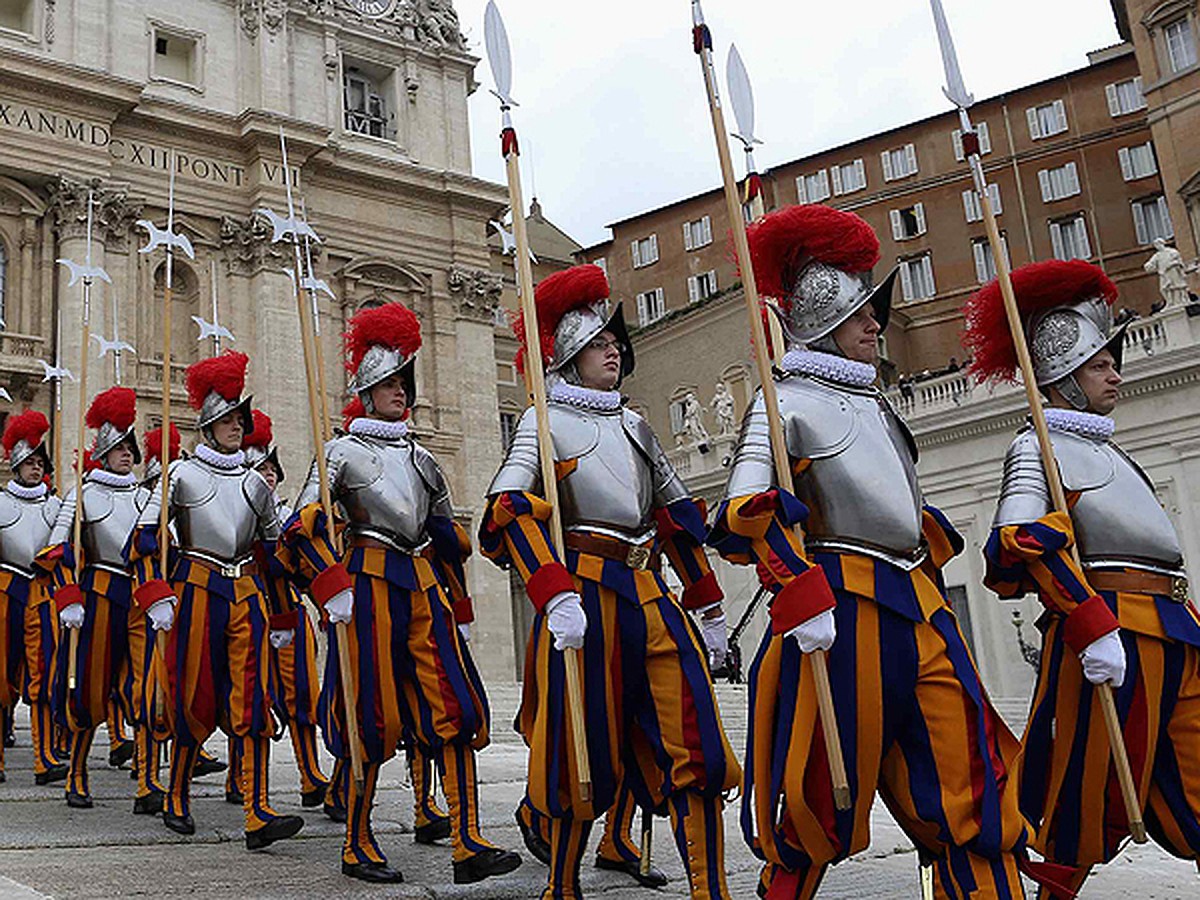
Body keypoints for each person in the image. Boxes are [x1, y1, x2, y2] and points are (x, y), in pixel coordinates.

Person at [710, 205, 1035, 898]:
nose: (874, 323)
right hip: (839, 610)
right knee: (821, 789)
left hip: (918, 605)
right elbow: (743, 511)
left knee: (971, 776)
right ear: (823, 323)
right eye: (859, 313)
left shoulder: (876, 402)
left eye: (872, 311)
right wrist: (795, 589)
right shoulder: (783, 403)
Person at [480, 264, 740, 900]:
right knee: (580, 746)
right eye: (600, 344)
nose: (614, 352)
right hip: (583, 595)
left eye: (616, 344)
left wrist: (707, 602)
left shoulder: (638, 426)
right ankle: (562, 885)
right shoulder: (544, 424)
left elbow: (676, 518)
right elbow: (507, 508)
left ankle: (711, 889)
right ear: (570, 355)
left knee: (695, 741)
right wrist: (551, 590)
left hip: (652, 596)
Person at [964, 259, 1200, 894]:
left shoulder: (1107, 447)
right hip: (1112, 633)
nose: (1114, 373)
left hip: (1178, 628)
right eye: (1099, 365)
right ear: (1065, 380)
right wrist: (1089, 621)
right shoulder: (1036, 445)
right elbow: (1016, 542)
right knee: (1080, 792)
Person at [280, 302, 519, 885]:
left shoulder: (424, 458)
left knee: (455, 708)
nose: (399, 392)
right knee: (369, 714)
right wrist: (330, 585)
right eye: (387, 384)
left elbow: (446, 540)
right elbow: (301, 527)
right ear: (365, 391)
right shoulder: (338, 452)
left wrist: (460, 607)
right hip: (365, 588)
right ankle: (358, 841)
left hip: (424, 590)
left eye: (403, 383)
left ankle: (467, 840)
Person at [129, 351, 302, 850]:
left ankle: (257, 808)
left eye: (239, 418)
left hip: (246, 592)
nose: (235, 425)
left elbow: (274, 556)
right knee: (194, 693)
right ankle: (177, 793)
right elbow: (142, 543)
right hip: (196, 587)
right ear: (207, 424)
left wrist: (286, 613)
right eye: (226, 418)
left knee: (252, 698)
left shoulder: (256, 483)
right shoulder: (179, 476)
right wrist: (156, 595)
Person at [37, 387, 154, 810]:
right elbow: (57, 552)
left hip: (141, 598)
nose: (127, 453)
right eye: (119, 447)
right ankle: (77, 771)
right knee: (89, 688)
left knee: (146, 688)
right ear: (103, 452)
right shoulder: (81, 497)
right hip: (98, 595)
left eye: (130, 447)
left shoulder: (145, 497)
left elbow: (160, 547)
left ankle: (147, 780)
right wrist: (69, 596)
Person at [240, 409, 330, 810]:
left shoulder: (287, 515)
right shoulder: (235, 510)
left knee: (303, 695)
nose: (270, 474)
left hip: (290, 612)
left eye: (273, 468)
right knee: (247, 696)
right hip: (248, 607)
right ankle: (239, 777)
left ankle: (310, 773)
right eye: (261, 468)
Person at [0, 411, 64, 785]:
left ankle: (44, 758)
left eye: (41, 462)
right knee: (1, 676)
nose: (36, 468)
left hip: (41, 595)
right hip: (6, 592)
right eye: (30, 462)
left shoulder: (56, 507)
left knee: (42, 676)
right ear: (16, 464)